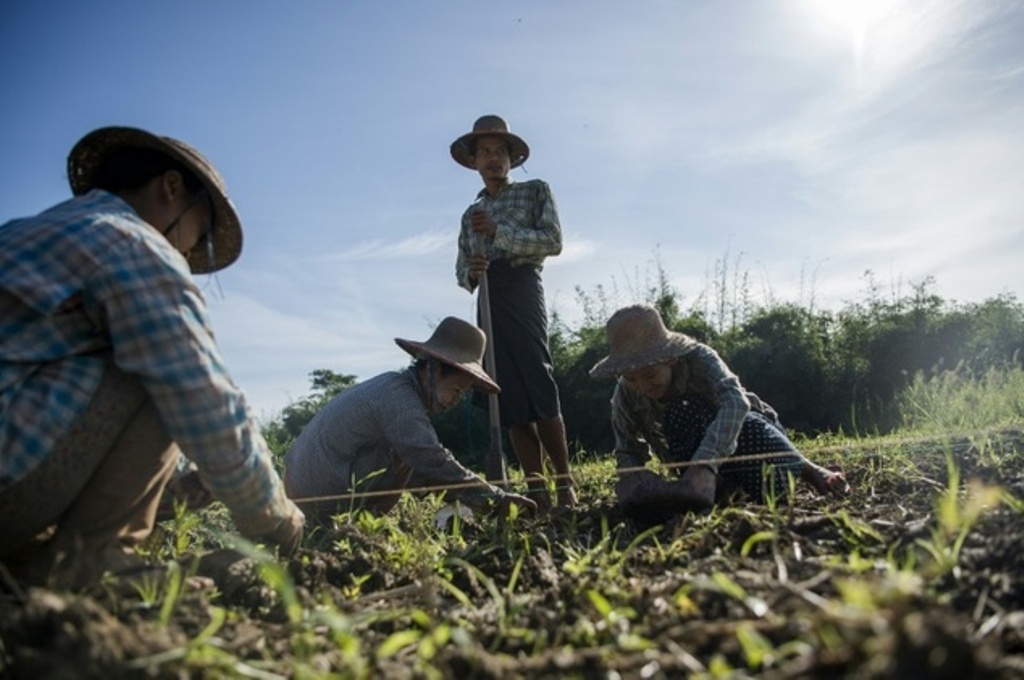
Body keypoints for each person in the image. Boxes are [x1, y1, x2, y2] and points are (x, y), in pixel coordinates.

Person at [0, 126, 304, 589]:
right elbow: (205, 398)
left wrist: (172, 484)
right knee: (159, 366)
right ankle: (94, 559)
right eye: (197, 235)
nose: (184, 252)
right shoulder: (131, 241)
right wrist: (276, 514)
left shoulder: (42, 231)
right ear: (171, 187)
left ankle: (37, 561)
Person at [590, 305, 848, 523]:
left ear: (670, 359)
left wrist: (705, 463)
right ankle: (716, 490)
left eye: (649, 375)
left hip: (749, 440)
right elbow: (627, 447)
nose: (643, 385)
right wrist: (633, 479)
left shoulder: (701, 359)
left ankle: (810, 470)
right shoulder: (626, 393)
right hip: (694, 468)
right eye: (631, 378)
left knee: (685, 409)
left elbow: (736, 402)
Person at [284, 317, 538, 522]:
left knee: (416, 461)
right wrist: (494, 499)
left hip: (305, 486)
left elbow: (427, 472)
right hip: (315, 493)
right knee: (413, 455)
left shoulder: (394, 388)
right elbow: (430, 458)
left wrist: (459, 493)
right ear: (433, 369)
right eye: (457, 390)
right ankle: (365, 523)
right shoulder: (399, 399)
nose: (455, 400)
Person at [450, 114, 576, 512]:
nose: (493, 159)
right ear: (474, 162)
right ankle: (535, 488)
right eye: (484, 152)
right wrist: (472, 271)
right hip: (488, 296)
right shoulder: (470, 214)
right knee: (505, 393)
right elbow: (460, 270)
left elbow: (552, 241)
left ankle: (564, 482)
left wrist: (498, 234)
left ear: (511, 158)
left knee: (537, 379)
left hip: (521, 286)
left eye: (500, 152)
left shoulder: (535, 191)